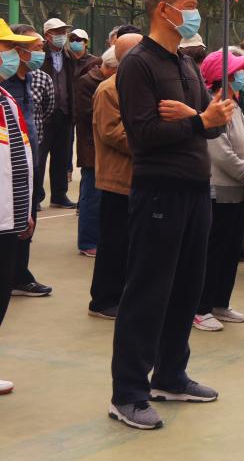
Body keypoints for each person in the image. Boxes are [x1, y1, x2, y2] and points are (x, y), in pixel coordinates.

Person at [108, 0, 234, 430]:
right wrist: (199, 120)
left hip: (196, 190)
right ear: (164, 9)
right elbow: (143, 134)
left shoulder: (184, 64)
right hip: (159, 190)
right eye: (190, 3)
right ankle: (128, 393)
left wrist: (200, 117)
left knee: (186, 288)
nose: (196, 11)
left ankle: (170, 375)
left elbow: (216, 124)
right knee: (148, 290)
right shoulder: (139, 64)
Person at [193, 49, 244, 332]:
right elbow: (220, 152)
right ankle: (200, 308)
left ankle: (220, 302)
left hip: (241, 190)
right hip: (219, 191)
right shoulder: (213, 107)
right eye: (236, 72)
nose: (241, 76)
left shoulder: (235, 106)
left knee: (231, 250)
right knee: (213, 252)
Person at [88, 33, 143, 320]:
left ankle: (123, 295)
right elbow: (112, 132)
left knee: (133, 244)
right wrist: (154, 141)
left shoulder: (139, 86)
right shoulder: (108, 89)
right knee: (114, 242)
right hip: (118, 179)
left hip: (141, 178)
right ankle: (104, 300)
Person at [0, 18, 38, 396]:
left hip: (8, 218)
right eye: (7, 47)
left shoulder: (6, 99)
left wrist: (23, 210)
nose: (13, 55)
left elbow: (19, 160)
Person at [3, 25, 51, 298]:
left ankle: (18, 274)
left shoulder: (28, 82)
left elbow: (45, 112)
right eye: (8, 48)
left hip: (26, 167)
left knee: (23, 229)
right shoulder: (6, 86)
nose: (11, 55)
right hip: (6, 178)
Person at [73, 46, 116, 256]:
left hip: (105, 148)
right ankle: (88, 241)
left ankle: (100, 239)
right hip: (91, 148)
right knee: (92, 196)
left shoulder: (108, 82)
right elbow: (87, 114)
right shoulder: (88, 82)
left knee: (103, 197)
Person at [38, 17, 77, 209]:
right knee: (39, 157)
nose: (63, 35)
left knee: (62, 156)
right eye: (58, 32)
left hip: (65, 112)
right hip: (43, 115)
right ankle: (36, 197)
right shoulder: (39, 55)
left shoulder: (70, 56)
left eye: (64, 31)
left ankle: (59, 195)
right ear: (47, 35)